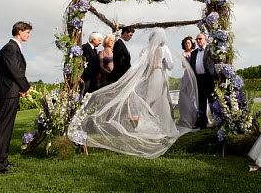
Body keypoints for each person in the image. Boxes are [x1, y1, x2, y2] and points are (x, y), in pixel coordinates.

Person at [68, 28, 198, 159]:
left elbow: (145, 65)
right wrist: (163, 64)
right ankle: (165, 125)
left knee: (151, 100)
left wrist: (146, 76)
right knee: (161, 99)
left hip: (152, 76)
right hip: (159, 75)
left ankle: (151, 123)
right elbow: (170, 66)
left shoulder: (148, 50)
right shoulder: (163, 50)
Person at [0, 22, 32, 174]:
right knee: (3, 128)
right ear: (19, 32)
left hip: (12, 91)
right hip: (8, 92)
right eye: (27, 32)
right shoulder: (10, 48)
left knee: (7, 128)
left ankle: (3, 160)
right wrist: (25, 86)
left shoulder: (14, 48)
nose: (28, 35)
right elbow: (14, 70)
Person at [189, 33, 217, 128]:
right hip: (199, 79)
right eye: (197, 39)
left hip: (209, 78)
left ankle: (217, 121)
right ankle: (202, 123)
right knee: (201, 102)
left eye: (200, 39)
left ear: (205, 39)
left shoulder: (211, 50)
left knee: (212, 100)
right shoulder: (194, 53)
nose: (198, 41)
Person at [178, 37, 198, 128]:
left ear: (192, 44)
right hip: (188, 74)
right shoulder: (184, 53)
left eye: (189, 43)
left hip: (195, 73)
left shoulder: (196, 52)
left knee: (194, 95)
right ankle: (187, 117)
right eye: (186, 43)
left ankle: (196, 116)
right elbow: (183, 65)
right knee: (185, 94)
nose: (187, 45)